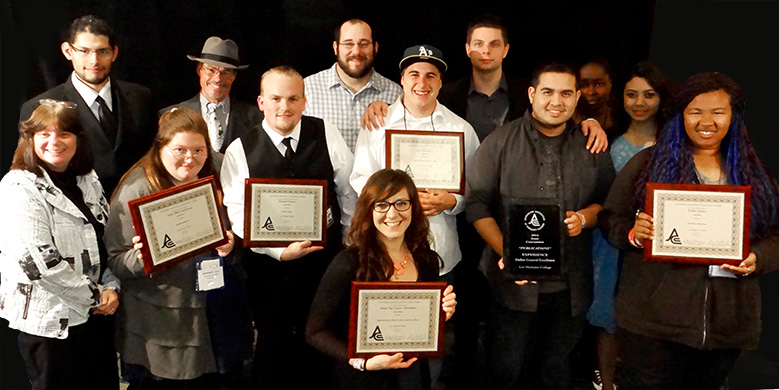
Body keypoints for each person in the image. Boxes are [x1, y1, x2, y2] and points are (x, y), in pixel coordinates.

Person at [599, 72, 779, 390]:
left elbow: (776, 236)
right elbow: (610, 218)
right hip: (652, 326)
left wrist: (757, 257)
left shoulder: (756, 175)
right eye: (695, 111)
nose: (705, 121)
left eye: (718, 112)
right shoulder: (647, 164)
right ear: (681, 115)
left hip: (725, 328)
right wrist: (633, 232)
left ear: (733, 118)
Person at [465, 62, 615, 389]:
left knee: (554, 372)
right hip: (510, 283)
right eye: (547, 92)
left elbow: (608, 203)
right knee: (505, 369)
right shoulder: (499, 141)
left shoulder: (594, 146)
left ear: (577, 98)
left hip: (571, 284)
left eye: (565, 93)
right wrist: (504, 248)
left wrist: (585, 218)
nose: (556, 101)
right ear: (532, 94)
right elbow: (476, 203)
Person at [220, 66, 358, 388]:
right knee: (273, 346)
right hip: (268, 268)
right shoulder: (240, 149)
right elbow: (238, 212)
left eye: (293, 98)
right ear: (261, 102)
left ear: (305, 101)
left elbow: (349, 190)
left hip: (324, 262)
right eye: (276, 98)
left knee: (320, 341)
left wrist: (349, 240)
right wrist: (278, 251)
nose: (285, 106)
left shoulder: (326, 133)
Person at [105, 108, 236, 389]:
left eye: (199, 149)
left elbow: (236, 232)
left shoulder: (218, 174)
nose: (190, 158)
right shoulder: (136, 189)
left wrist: (230, 245)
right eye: (179, 149)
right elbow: (116, 261)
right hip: (161, 325)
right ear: (160, 146)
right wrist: (144, 256)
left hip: (211, 314)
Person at [0, 101, 119, 390]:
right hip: (53, 325)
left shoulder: (86, 178)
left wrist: (112, 286)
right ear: (30, 139)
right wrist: (95, 297)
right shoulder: (19, 186)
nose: (54, 141)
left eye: (64, 133)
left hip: (96, 319)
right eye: (44, 133)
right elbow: (40, 264)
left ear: (78, 138)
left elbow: (105, 239)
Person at [306, 168, 457, 390]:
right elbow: (315, 332)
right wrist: (363, 362)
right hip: (362, 379)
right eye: (382, 205)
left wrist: (440, 316)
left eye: (401, 203)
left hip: (412, 376)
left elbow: (421, 329)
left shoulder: (427, 260)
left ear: (414, 208)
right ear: (369, 210)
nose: (393, 214)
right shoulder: (348, 263)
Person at [586, 61, 672, 390]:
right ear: (621, 98)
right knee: (607, 317)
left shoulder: (675, 149)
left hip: (656, 250)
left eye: (648, 95)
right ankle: (606, 383)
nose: (639, 102)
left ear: (661, 99)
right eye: (631, 94)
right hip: (608, 247)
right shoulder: (607, 144)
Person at [19, 15, 156, 196]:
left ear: (114, 53)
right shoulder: (37, 108)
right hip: (78, 214)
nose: (94, 61)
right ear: (68, 51)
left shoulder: (141, 97)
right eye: (84, 51)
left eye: (102, 51)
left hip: (139, 205)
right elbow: (34, 175)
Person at [304, 19, 402, 152]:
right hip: (324, 173)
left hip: (376, 173)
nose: (356, 52)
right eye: (348, 44)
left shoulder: (395, 94)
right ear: (335, 48)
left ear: (375, 48)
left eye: (364, 44)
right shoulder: (308, 89)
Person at [162, 36, 263, 158]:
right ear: (199, 70)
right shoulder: (171, 115)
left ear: (234, 75)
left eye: (226, 72)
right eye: (211, 70)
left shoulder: (256, 117)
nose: (218, 79)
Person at [574, 58, 617, 136]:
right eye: (583, 85)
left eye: (599, 84)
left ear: (610, 84)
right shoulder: (565, 120)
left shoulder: (621, 119)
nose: (591, 92)